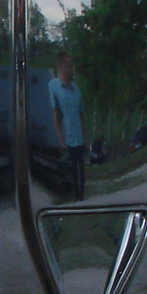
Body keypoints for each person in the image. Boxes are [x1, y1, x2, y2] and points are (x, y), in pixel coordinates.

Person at [49, 52, 86, 201]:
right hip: (67, 137)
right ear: (61, 67)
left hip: (79, 137)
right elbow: (56, 116)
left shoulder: (76, 89)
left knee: (81, 169)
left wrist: (85, 137)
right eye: (69, 66)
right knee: (70, 169)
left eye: (72, 66)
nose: (72, 69)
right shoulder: (53, 86)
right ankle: (72, 196)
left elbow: (82, 114)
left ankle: (80, 196)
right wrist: (61, 140)